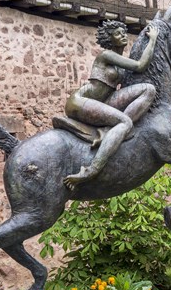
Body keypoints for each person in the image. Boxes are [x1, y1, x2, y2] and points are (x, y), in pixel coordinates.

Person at [63, 21, 159, 189]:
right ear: (109, 39)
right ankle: (91, 169)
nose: (123, 35)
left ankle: (111, 132)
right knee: (125, 122)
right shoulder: (106, 55)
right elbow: (139, 65)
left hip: (102, 101)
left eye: (123, 32)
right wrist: (152, 40)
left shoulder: (120, 63)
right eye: (117, 33)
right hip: (80, 102)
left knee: (149, 90)